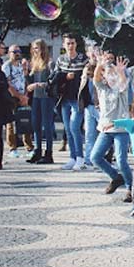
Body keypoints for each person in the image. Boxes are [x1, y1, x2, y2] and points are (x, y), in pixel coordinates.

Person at [91, 54, 134, 201]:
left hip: (121, 129)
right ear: (104, 76)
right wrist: (99, 64)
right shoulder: (102, 88)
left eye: (113, 74)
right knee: (95, 157)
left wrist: (120, 72)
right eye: (109, 74)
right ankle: (116, 177)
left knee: (121, 160)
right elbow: (96, 78)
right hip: (106, 129)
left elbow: (123, 83)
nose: (112, 77)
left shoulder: (121, 89)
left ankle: (130, 188)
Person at [51, 34, 89, 170]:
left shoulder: (83, 59)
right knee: (68, 129)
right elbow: (55, 76)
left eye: (72, 43)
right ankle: (72, 158)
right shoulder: (61, 59)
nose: (70, 46)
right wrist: (65, 76)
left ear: (76, 44)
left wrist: (76, 76)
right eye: (68, 43)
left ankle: (80, 157)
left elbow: (87, 75)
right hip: (64, 98)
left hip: (77, 98)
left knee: (74, 127)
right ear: (64, 45)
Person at [25, 39, 56, 164]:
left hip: (46, 97)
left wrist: (38, 84)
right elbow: (30, 81)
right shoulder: (34, 63)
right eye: (33, 48)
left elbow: (53, 81)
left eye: (37, 48)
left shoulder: (50, 63)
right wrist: (26, 73)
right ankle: (37, 151)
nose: (35, 51)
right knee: (35, 124)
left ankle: (48, 153)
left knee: (47, 125)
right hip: (36, 97)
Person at [2, 44, 34, 158]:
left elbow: (24, 80)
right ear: (9, 53)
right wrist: (19, 96)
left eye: (18, 51)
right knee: (11, 123)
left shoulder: (21, 65)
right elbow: (8, 84)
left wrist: (25, 95)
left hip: (23, 96)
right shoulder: (7, 66)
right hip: (11, 97)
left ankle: (29, 147)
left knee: (25, 121)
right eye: (14, 52)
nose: (17, 54)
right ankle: (12, 148)